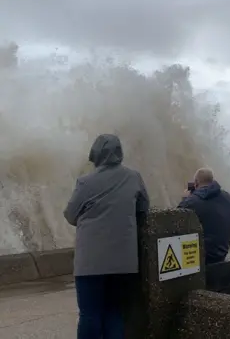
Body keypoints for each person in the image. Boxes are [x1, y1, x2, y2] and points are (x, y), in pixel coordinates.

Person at [64, 134, 149, 339]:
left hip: (91, 263)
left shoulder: (85, 182)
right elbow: (144, 207)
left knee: (90, 314)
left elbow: (70, 215)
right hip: (124, 262)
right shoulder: (134, 177)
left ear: (96, 154)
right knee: (114, 313)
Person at [178, 168, 230, 264]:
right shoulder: (228, 197)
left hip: (202, 257)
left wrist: (185, 198)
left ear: (196, 183)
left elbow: (176, 217)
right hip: (221, 254)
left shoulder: (191, 201)